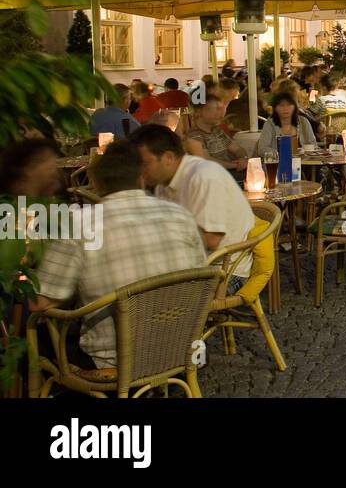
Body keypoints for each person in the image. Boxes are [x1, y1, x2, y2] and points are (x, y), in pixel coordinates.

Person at [29, 140, 207, 370]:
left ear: (94, 183)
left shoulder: (80, 224)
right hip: (184, 351)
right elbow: (201, 278)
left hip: (116, 363)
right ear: (141, 179)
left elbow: (40, 302)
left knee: (35, 332)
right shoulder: (180, 214)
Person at [134, 125, 255, 278]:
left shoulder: (204, 176)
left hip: (224, 272)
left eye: (145, 164)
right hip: (191, 267)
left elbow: (211, 240)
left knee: (140, 296)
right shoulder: (162, 185)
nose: (140, 171)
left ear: (168, 158)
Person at [185, 79, 247, 176]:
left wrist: (243, 158)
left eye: (221, 108)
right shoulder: (194, 136)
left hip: (229, 174)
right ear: (199, 111)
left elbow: (237, 149)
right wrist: (234, 165)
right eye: (216, 109)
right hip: (215, 178)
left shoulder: (216, 131)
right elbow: (205, 160)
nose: (221, 113)